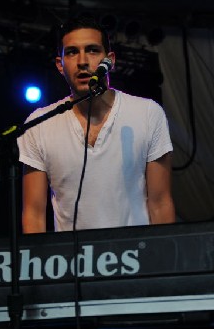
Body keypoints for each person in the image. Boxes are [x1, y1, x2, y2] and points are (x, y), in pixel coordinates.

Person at [17, 16, 175, 233]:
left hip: (135, 258)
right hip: (69, 262)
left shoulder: (148, 113)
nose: (82, 61)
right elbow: (33, 215)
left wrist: (164, 260)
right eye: (72, 52)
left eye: (92, 50)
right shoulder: (38, 124)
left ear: (110, 60)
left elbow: (160, 203)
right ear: (60, 65)